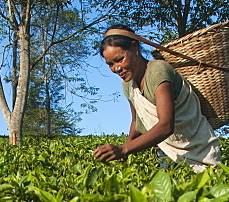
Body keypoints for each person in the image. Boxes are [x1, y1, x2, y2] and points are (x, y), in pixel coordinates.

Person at [92, 26, 221, 172]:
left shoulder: (158, 72)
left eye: (119, 59)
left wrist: (124, 149)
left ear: (135, 48)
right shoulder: (128, 84)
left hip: (198, 150)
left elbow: (166, 125)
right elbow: (136, 121)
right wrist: (124, 149)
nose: (116, 68)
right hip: (165, 153)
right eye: (110, 64)